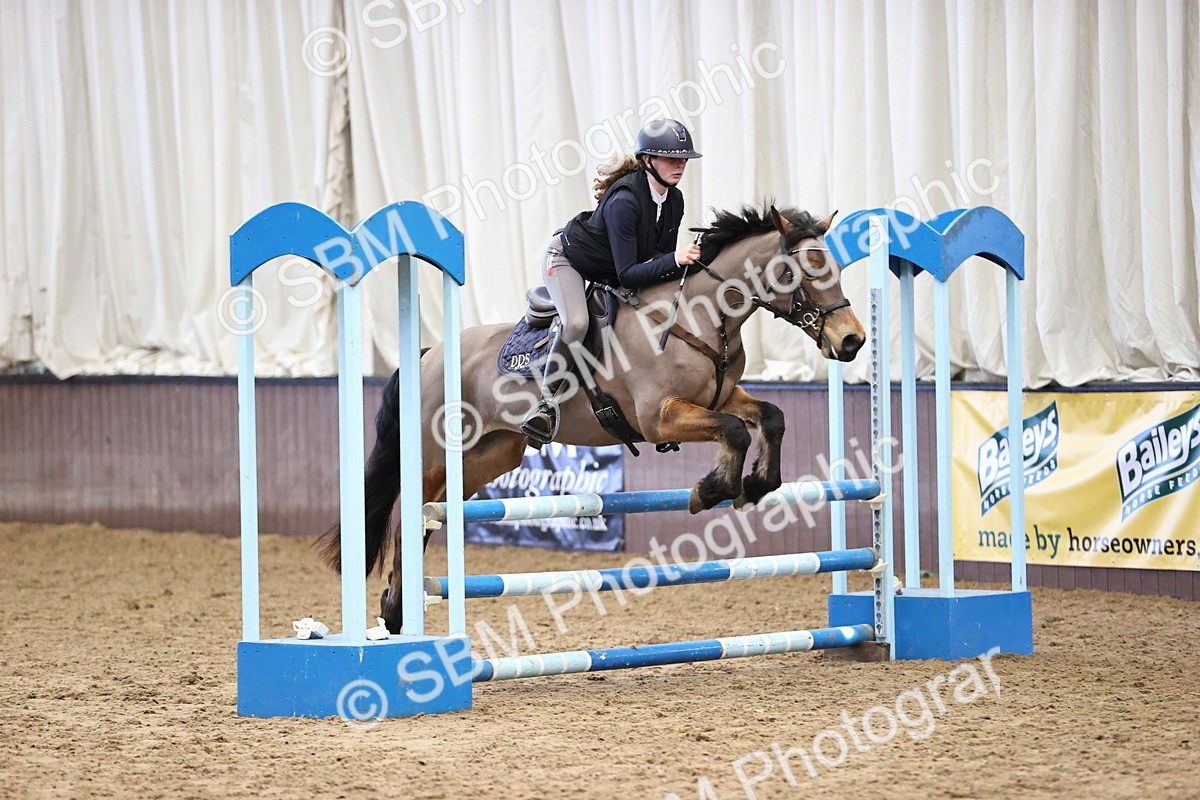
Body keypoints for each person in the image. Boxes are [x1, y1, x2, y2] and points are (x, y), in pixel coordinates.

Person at [520, 118, 703, 445]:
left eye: (684, 158)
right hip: (567, 261)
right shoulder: (625, 201)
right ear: (648, 160)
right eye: (671, 158)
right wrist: (676, 259)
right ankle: (545, 406)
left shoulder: (674, 200)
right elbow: (629, 274)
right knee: (577, 324)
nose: (680, 164)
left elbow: (658, 261)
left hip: (609, 267)